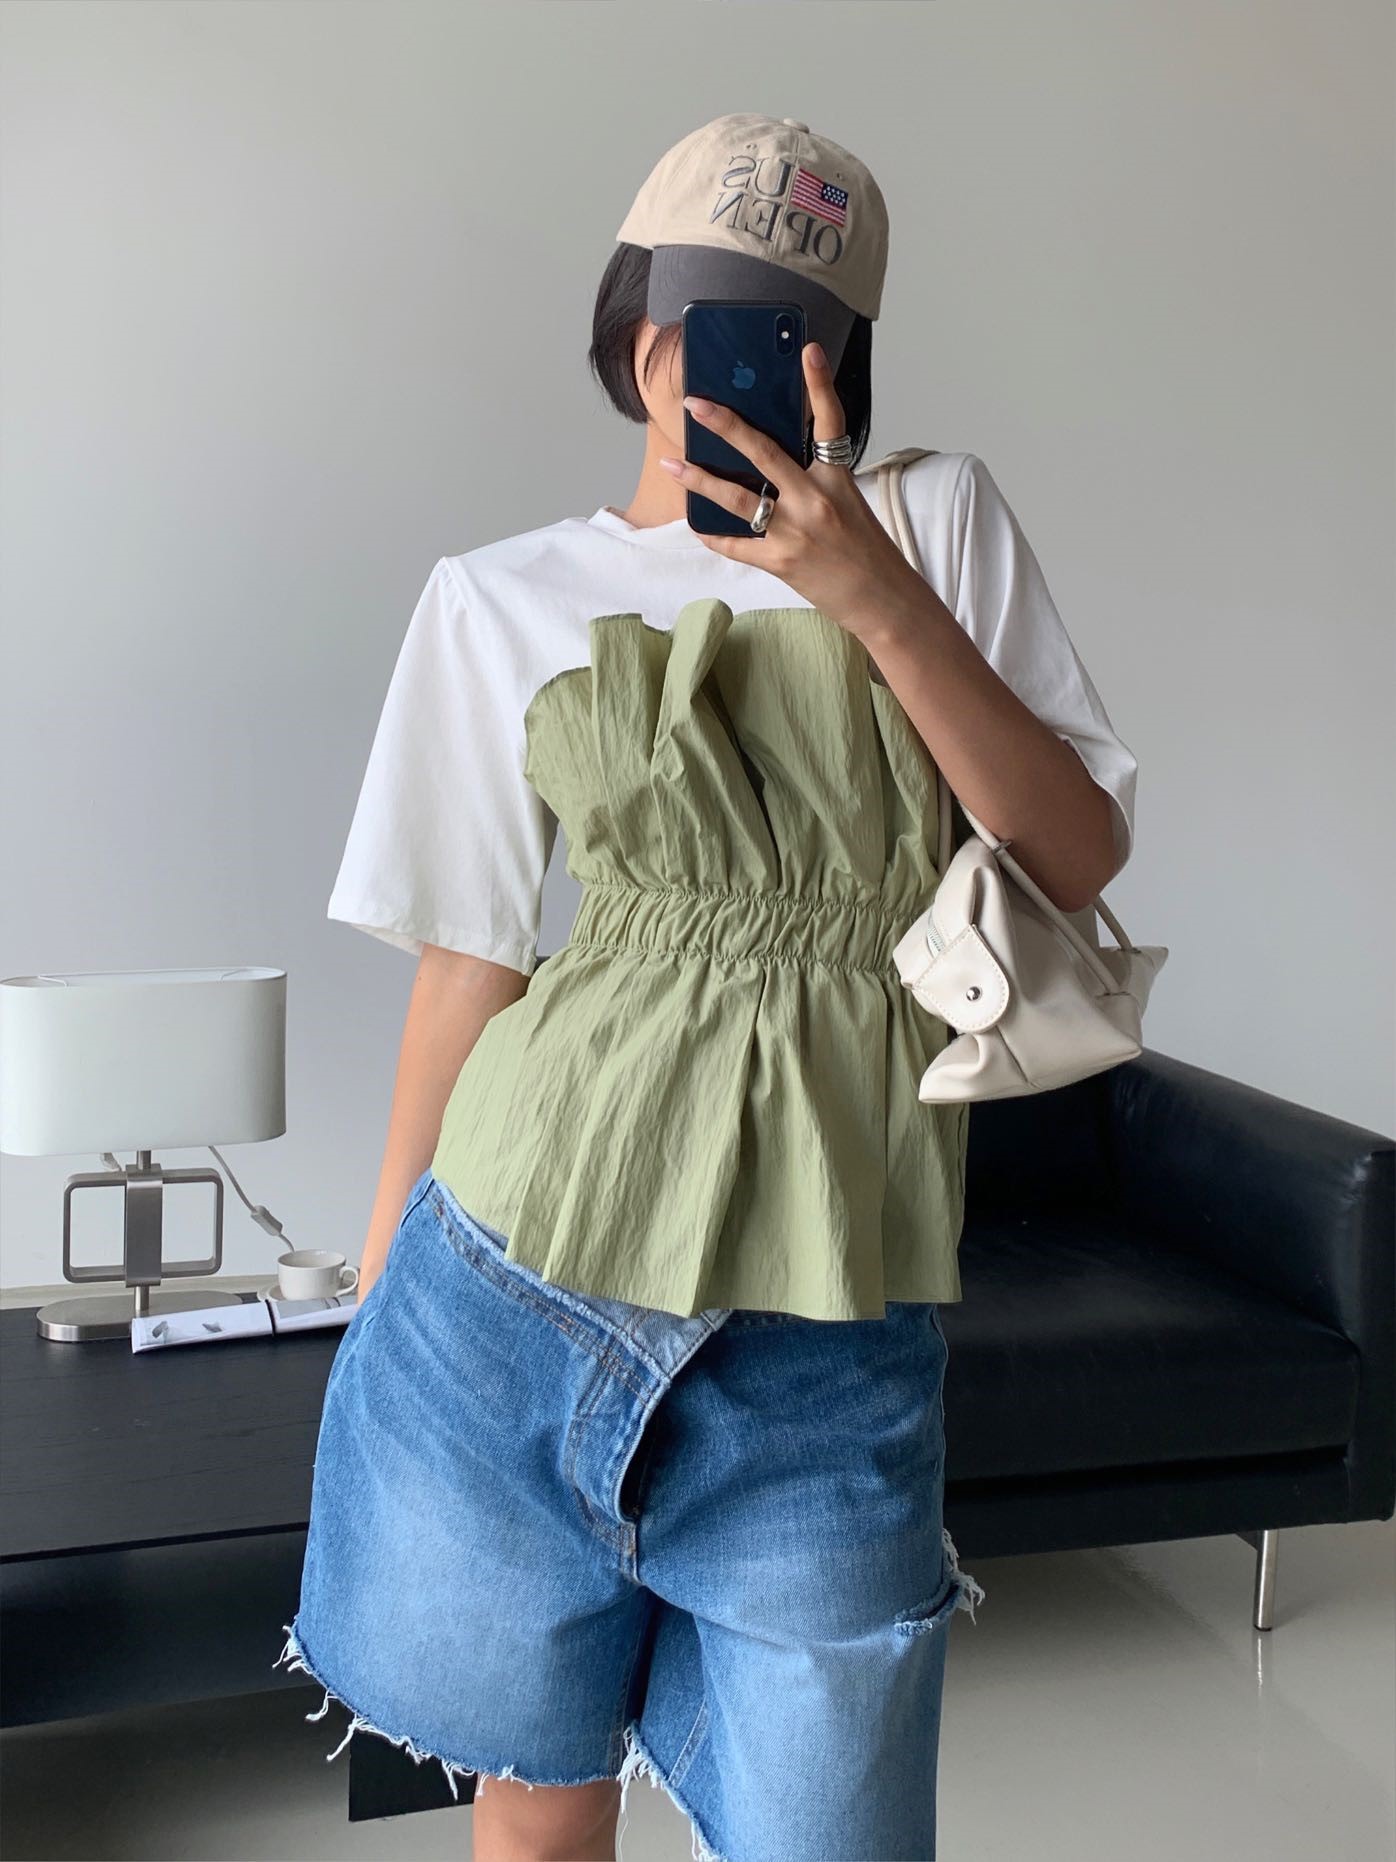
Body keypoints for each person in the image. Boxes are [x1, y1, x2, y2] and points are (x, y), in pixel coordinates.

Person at [274, 113, 1137, 1862]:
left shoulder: (933, 526)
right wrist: (374, 1303)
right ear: (639, 330)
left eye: (795, 325)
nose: (733, 357)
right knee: (539, 1809)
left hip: (825, 1324)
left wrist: (871, 597)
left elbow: (1074, 853)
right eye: (703, 311)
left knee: (832, 1830)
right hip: (513, 1280)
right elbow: (467, 974)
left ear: (844, 358)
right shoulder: (498, 600)